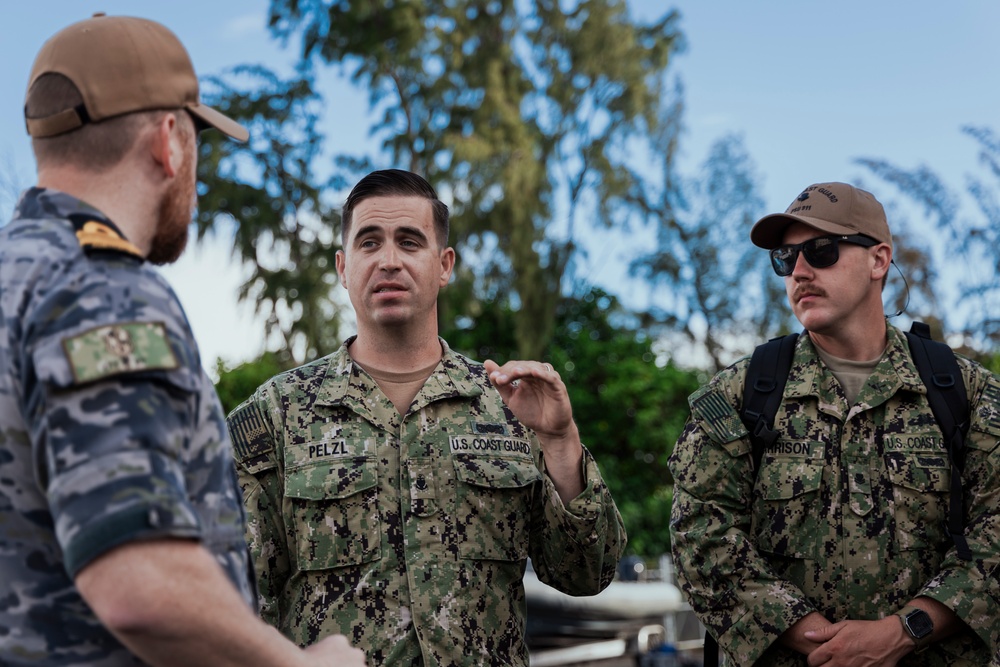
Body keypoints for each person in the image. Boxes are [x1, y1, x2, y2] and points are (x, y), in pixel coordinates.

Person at [0, 14, 365, 667]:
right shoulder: (100, 286)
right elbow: (139, 583)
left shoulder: (17, 276)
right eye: (198, 141)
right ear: (169, 141)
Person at [228, 168, 627, 666]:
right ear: (342, 266)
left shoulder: (510, 405)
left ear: (444, 264)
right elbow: (237, 599)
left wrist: (561, 442)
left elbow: (588, 572)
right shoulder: (277, 413)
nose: (389, 261)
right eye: (369, 243)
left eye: (409, 242)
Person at [669, 182, 1000, 666]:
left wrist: (904, 633)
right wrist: (822, 644)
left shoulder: (965, 393)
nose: (799, 271)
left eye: (821, 251)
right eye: (785, 258)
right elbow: (700, 539)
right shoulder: (741, 395)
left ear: (879, 260)